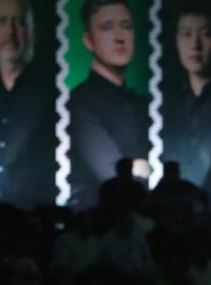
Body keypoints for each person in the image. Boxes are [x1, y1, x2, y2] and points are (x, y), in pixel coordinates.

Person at [0, 0, 57, 208]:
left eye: (19, 22)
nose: (10, 31)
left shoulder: (51, 92)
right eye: (2, 21)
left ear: (33, 31)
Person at [68, 0, 149, 209]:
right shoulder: (78, 102)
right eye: (107, 27)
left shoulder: (143, 105)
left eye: (126, 26)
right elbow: (110, 174)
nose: (120, 37)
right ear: (88, 40)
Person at [162, 4, 211, 213]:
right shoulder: (167, 102)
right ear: (176, 39)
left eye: (206, 34)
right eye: (186, 34)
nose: (195, 45)